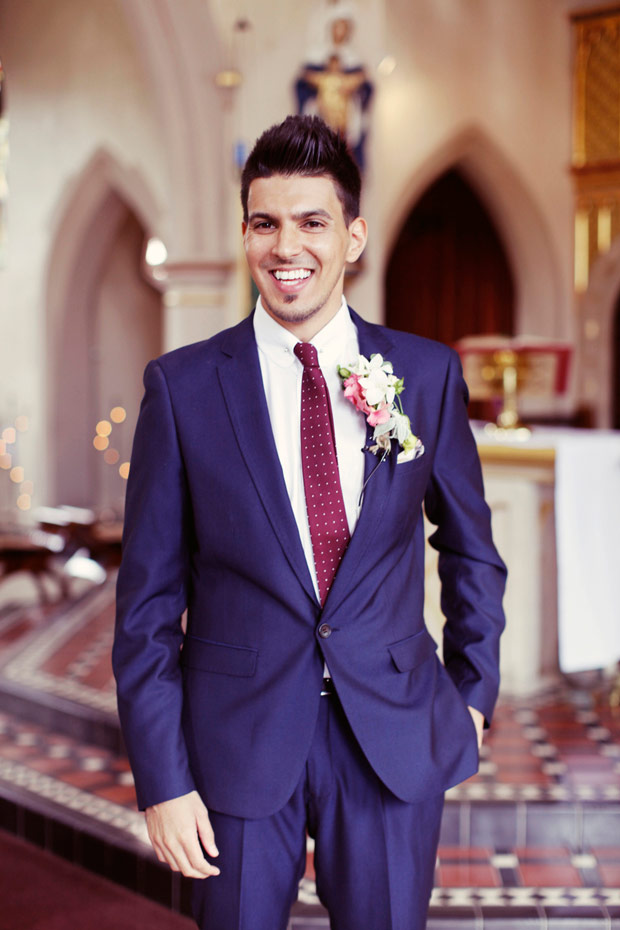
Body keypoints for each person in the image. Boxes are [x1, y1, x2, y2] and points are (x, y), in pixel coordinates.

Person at [113, 114, 506, 930]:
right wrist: (162, 776)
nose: (286, 246)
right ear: (246, 233)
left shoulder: (424, 375)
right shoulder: (182, 390)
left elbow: (471, 549)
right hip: (236, 743)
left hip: (394, 738)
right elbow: (146, 605)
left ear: (353, 236)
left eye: (311, 222)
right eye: (265, 222)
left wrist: (472, 694)